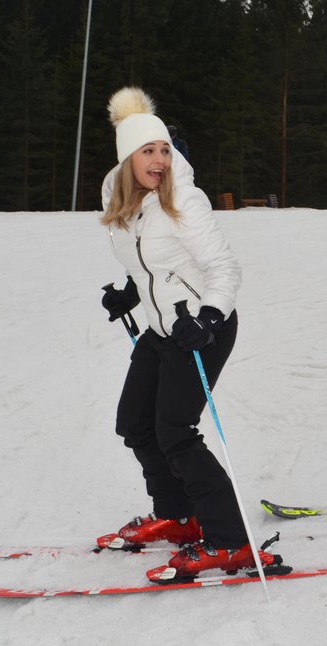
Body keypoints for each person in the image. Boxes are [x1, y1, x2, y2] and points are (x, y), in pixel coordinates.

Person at [96, 87, 273, 581]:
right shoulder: (125, 207)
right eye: (148, 151)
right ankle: (177, 516)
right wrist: (129, 295)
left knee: (175, 431)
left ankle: (230, 541)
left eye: (165, 150)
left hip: (200, 327)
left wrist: (210, 317)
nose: (159, 159)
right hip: (161, 326)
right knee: (135, 422)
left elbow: (223, 267)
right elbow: (153, 269)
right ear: (127, 157)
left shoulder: (183, 200)